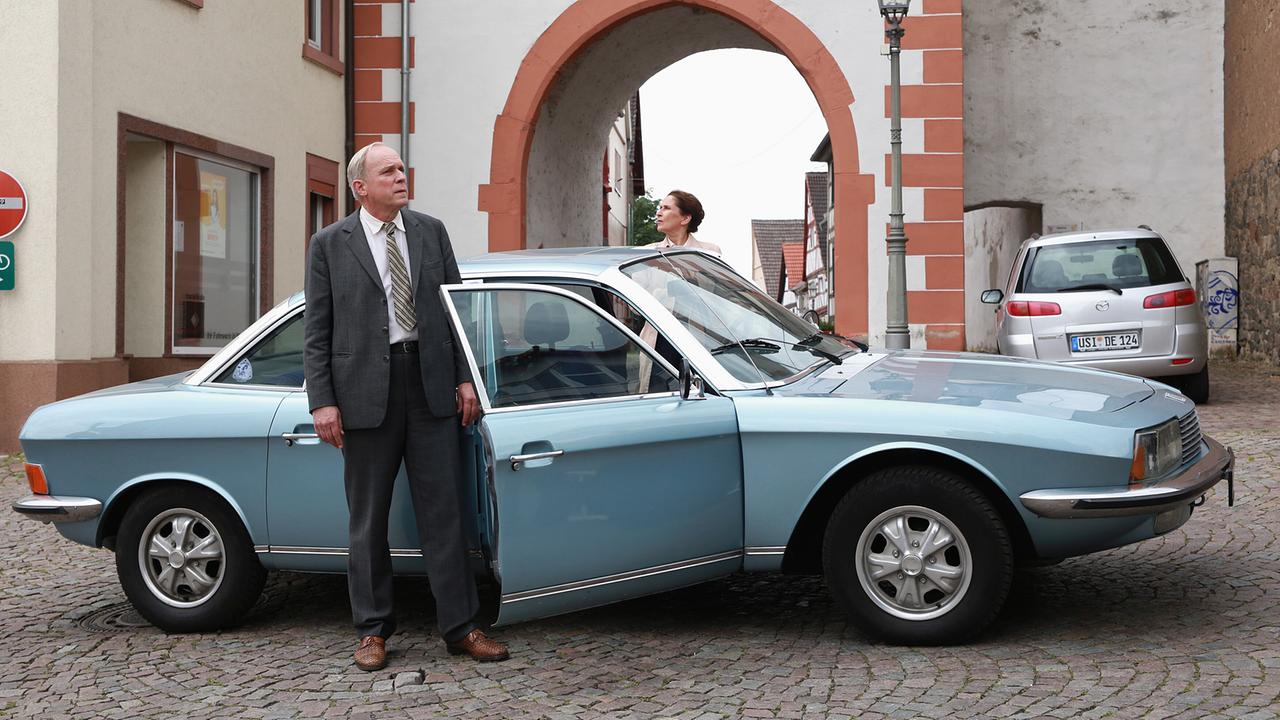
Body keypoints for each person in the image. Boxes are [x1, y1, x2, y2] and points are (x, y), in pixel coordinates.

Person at [303, 142, 509, 670]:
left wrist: (466, 380)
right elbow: (317, 331)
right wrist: (322, 401)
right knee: (367, 518)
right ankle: (372, 630)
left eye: (401, 167)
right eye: (387, 171)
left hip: (430, 383)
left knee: (446, 513)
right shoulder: (329, 244)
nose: (400, 175)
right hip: (363, 392)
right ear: (360, 188)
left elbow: (456, 310)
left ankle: (461, 627)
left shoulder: (429, 231)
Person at [645, 190, 722, 256]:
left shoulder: (711, 251)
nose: (658, 213)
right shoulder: (647, 252)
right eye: (660, 208)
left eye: (667, 208)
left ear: (685, 218)